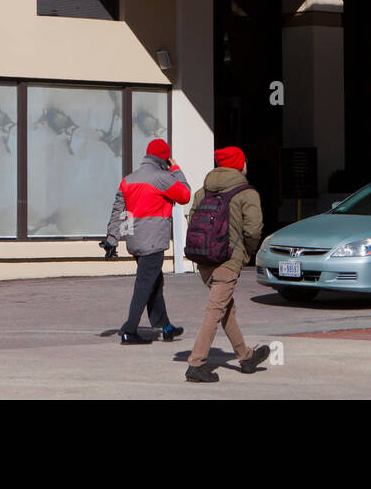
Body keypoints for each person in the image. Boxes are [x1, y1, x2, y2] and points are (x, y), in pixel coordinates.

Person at [185, 145, 270, 383]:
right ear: (239, 165)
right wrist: (245, 254)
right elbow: (254, 229)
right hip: (228, 261)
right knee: (215, 310)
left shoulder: (203, 191)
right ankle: (196, 364)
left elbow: (192, 221)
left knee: (226, 309)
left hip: (204, 261)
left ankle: (246, 357)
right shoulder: (247, 193)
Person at [101, 138, 190, 345]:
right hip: (153, 243)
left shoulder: (128, 180)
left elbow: (118, 211)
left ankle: (166, 327)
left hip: (135, 241)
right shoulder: (162, 178)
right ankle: (129, 330)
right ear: (164, 158)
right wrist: (175, 168)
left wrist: (112, 239)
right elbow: (185, 194)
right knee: (144, 286)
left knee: (154, 284)